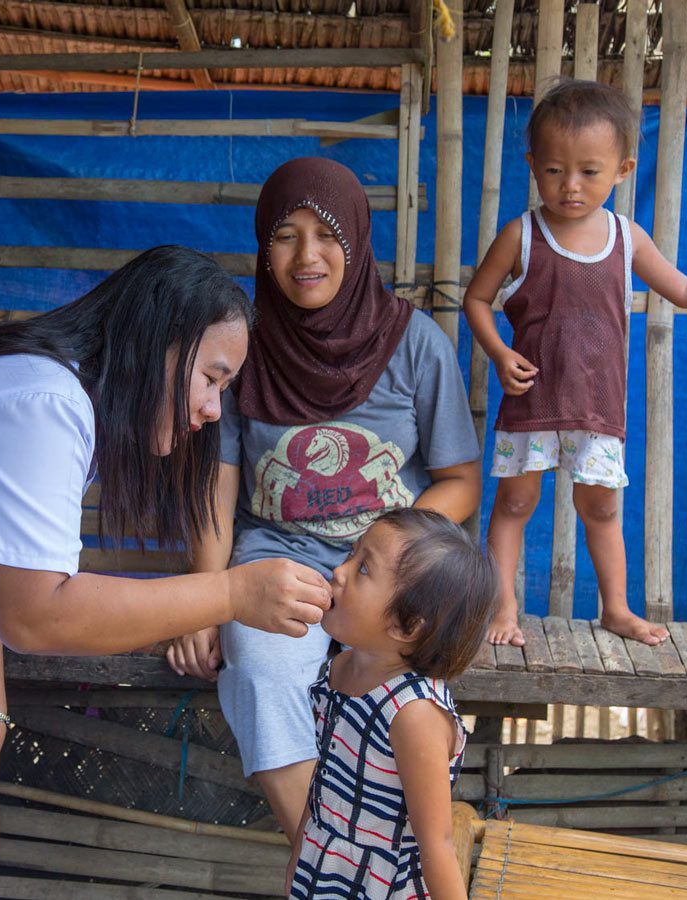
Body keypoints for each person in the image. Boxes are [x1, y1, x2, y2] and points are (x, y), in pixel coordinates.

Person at [0, 245, 332, 899]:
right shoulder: (41, 403)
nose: (211, 410)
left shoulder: (57, 397)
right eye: (212, 378)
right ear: (159, 342)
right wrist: (231, 593)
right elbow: (36, 614)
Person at [167, 158, 482, 841]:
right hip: (280, 566)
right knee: (259, 672)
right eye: (285, 235)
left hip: (390, 580)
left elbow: (461, 480)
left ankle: (330, 873)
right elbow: (217, 492)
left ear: (359, 240)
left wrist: (399, 554)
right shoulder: (244, 346)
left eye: (326, 234)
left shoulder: (415, 343)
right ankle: (334, 862)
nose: (306, 256)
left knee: (400, 708)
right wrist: (203, 598)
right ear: (263, 246)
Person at [464, 78, 687, 647]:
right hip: (531, 401)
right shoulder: (522, 235)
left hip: (595, 405)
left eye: (589, 171)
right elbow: (475, 300)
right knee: (514, 502)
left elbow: (681, 289)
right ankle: (502, 608)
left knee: (601, 510)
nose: (571, 186)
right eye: (555, 170)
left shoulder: (626, 237)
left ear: (624, 170)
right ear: (533, 166)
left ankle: (616, 608)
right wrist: (500, 352)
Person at [286, 508, 497, 900]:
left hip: (381, 885)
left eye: (363, 569)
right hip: (326, 865)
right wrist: (299, 858)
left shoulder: (413, 713)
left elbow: (436, 842)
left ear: (407, 625)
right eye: (352, 554)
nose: (339, 572)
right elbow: (323, 783)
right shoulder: (339, 669)